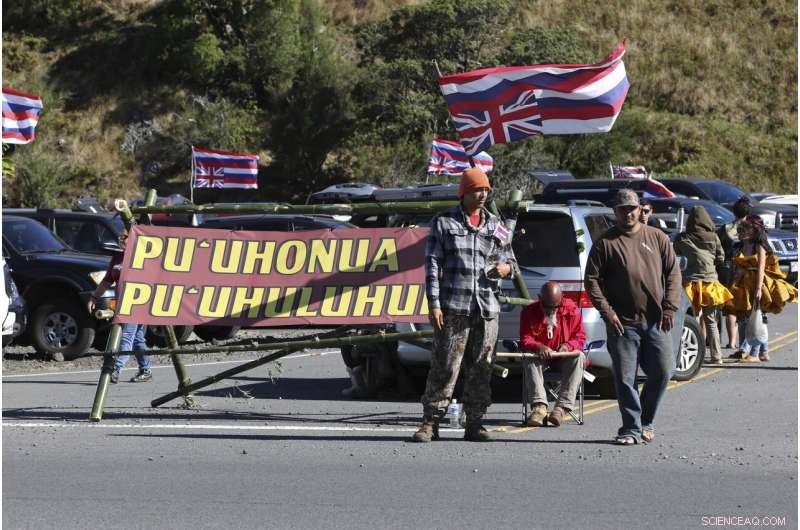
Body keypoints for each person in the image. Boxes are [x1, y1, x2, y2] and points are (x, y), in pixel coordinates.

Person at [412, 167, 514, 443]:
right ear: (464, 192)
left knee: (482, 365)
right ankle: (430, 422)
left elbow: (512, 262)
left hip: (486, 308)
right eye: (476, 190)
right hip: (454, 306)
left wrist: (506, 268)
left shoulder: (496, 225)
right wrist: (434, 304)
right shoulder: (444, 222)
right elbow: (433, 265)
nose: (482, 195)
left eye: (485, 190)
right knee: (445, 364)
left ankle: (476, 422)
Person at [584, 189, 681, 445]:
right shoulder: (605, 243)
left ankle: (646, 422)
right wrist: (608, 312)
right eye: (623, 209)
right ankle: (631, 428)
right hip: (622, 324)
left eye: (632, 208)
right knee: (625, 379)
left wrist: (670, 306)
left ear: (641, 209)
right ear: (615, 212)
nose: (628, 213)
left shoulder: (657, 237)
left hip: (656, 321)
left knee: (663, 371)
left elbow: (673, 274)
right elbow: (591, 281)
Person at [725, 215, 797, 362]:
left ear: (752, 231)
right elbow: (739, 266)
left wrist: (758, 289)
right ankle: (761, 352)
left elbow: (761, 268)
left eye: (743, 231)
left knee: (757, 316)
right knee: (748, 317)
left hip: (758, 285)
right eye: (739, 231)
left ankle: (755, 353)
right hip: (744, 286)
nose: (740, 234)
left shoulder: (759, 246)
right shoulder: (742, 245)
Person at [89, 226, 152, 383]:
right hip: (121, 304)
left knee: (127, 336)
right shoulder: (117, 258)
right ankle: (145, 369)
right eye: (120, 237)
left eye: (124, 237)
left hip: (136, 304)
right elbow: (107, 280)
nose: (121, 240)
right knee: (137, 338)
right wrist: (94, 297)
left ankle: (116, 368)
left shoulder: (141, 257)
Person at [519, 281, 586, 427]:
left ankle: (562, 408)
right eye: (547, 307)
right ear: (539, 299)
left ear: (561, 299)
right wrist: (538, 346)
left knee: (579, 356)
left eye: (555, 306)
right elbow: (526, 339)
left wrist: (568, 346)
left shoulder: (572, 310)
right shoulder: (529, 311)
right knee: (529, 358)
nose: (551, 310)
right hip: (541, 356)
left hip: (563, 356)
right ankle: (539, 407)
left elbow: (580, 337)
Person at [673, 206, 732, 364]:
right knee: (711, 320)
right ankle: (716, 355)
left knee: (688, 320)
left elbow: (675, 255)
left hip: (689, 284)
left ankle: (687, 355)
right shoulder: (713, 237)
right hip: (709, 283)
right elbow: (721, 257)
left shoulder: (682, 238)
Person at [718, 197, 751, 350]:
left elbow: (716, 247)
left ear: (734, 212)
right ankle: (745, 342)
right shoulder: (751, 229)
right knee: (743, 304)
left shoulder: (724, 228)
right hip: (743, 269)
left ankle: (731, 342)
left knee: (729, 306)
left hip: (725, 268)